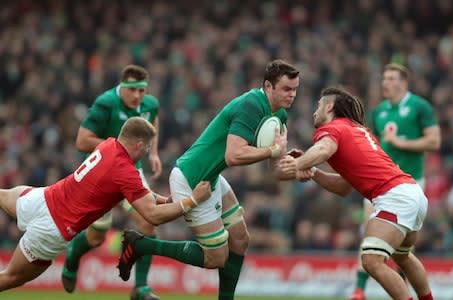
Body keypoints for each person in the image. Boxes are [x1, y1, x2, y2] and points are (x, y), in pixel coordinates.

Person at [116, 59, 300, 300]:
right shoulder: (251, 105)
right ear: (268, 86)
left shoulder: (280, 116)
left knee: (240, 239)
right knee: (216, 257)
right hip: (192, 178)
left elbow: (274, 169)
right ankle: (141, 245)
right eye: (286, 89)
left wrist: (298, 166)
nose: (292, 95)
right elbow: (233, 156)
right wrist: (273, 151)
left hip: (211, 178)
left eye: (295, 89)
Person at [0, 117, 212, 292]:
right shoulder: (125, 171)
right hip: (52, 228)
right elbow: (153, 216)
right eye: (147, 147)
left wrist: (165, 200)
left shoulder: (109, 144)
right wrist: (192, 200)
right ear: (138, 144)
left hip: (42, 199)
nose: (147, 151)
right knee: (12, 277)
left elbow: (141, 193)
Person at [278, 87, 434, 300]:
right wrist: (312, 171)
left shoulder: (331, 129)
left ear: (330, 107)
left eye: (318, 106)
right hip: (411, 192)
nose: (315, 112)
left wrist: (295, 164)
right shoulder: (356, 130)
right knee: (403, 255)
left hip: (394, 197)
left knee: (371, 260)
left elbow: (322, 150)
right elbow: (343, 186)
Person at [61, 64, 163, 300]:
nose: (137, 96)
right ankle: (74, 253)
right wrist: (116, 150)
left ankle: (140, 288)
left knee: (149, 220)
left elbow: (153, 123)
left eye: (141, 90)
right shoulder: (105, 103)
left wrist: (154, 153)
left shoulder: (150, 104)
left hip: (131, 173)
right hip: (101, 174)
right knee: (97, 236)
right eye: (132, 90)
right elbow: (82, 141)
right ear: (121, 86)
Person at [350, 63, 441, 300]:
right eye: (384, 78)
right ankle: (359, 291)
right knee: (369, 235)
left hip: (410, 184)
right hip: (380, 185)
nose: (385, 83)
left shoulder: (419, 106)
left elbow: (434, 141)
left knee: (403, 250)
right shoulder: (379, 111)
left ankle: (401, 288)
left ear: (403, 82)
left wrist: (403, 143)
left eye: (391, 78)